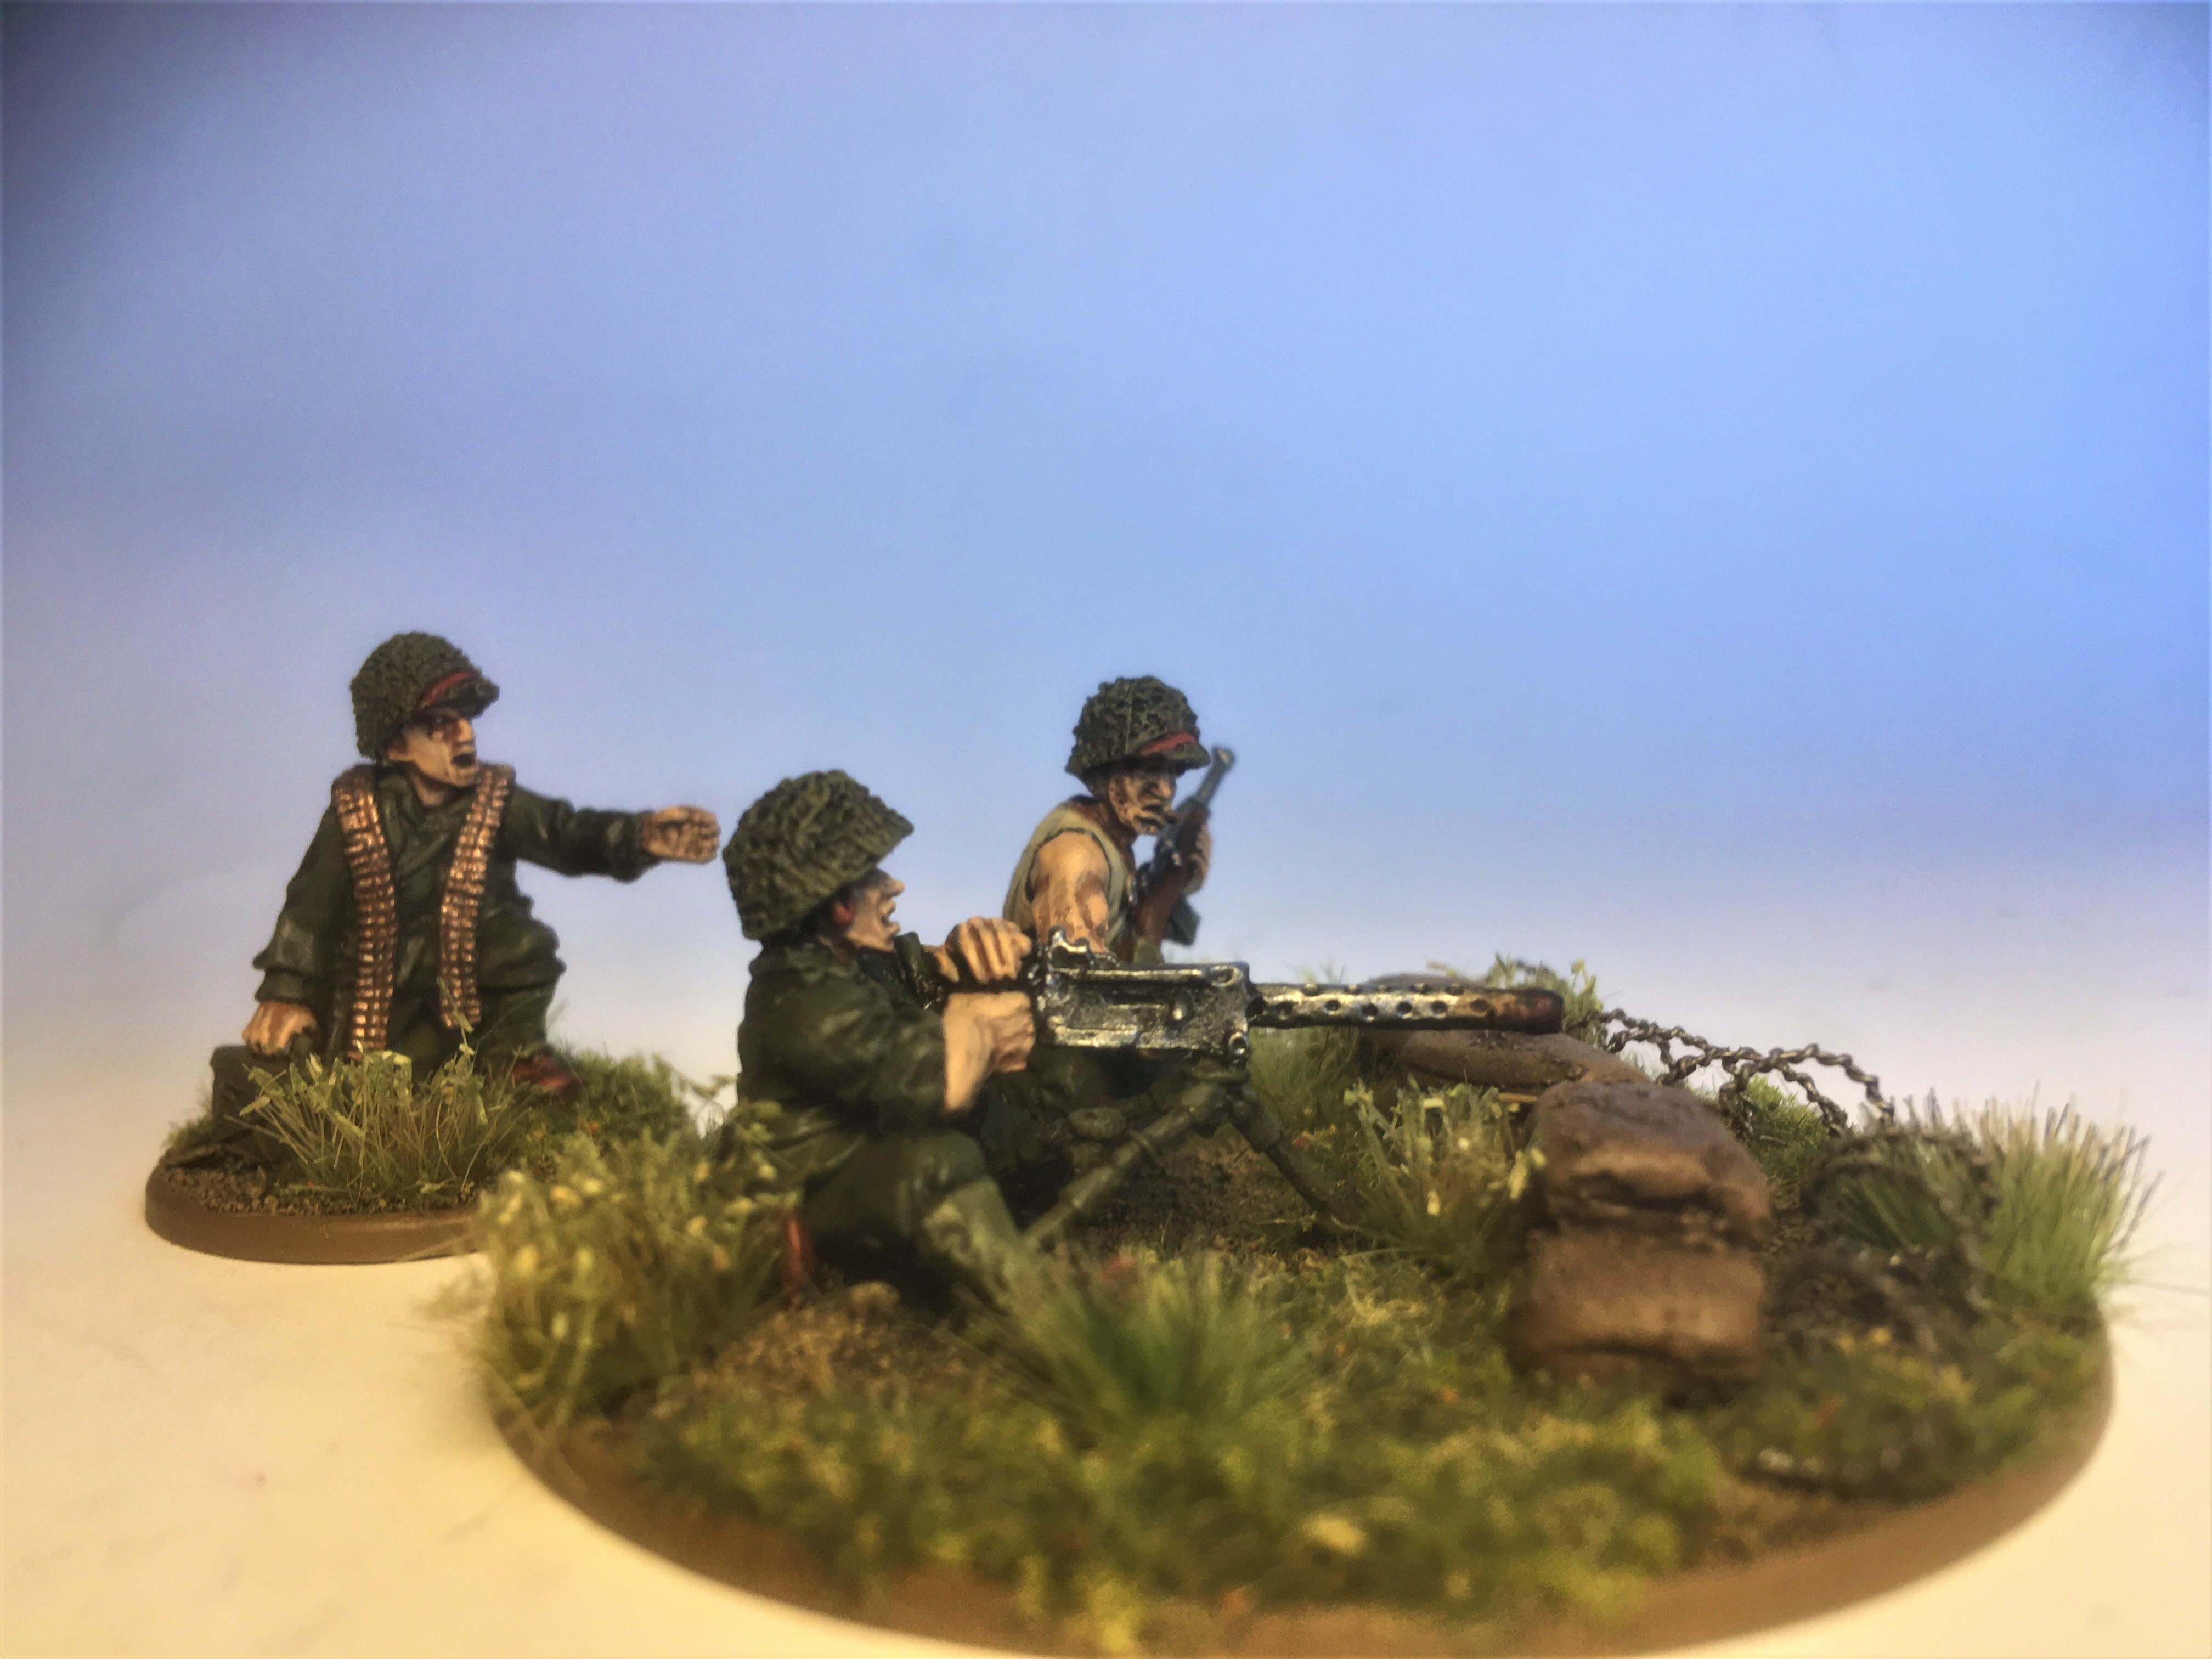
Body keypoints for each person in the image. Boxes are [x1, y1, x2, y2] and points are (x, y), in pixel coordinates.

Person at [216, 631, 719, 1129]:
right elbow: (309, 907)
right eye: (439, 724)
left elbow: (564, 833)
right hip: (378, 998)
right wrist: (288, 990)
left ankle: (514, 1060)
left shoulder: (495, 800)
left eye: (465, 718)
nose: (465, 735)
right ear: (397, 744)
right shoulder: (356, 811)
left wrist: (639, 836)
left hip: (472, 999)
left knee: (522, 943)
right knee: (352, 1090)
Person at [722, 770, 1041, 1307]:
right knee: (939, 1163)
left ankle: (1032, 1268)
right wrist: (976, 1025)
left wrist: (965, 964)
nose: (893, 887)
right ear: (838, 906)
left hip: (842, 1160)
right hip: (799, 1189)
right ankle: (1048, 1316)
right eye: (871, 876)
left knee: (1022, 1138)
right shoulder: (803, 1004)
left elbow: (907, 989)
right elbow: (929, 1085)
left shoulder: (839, 970)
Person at [1002, 675, 1212, 962]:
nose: (1165, 791)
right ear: (1105, 770)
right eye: (1149, 769)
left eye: (1174, 773)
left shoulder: (1111, 844)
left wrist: (1176, 883)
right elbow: (1078, 975)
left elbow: (1120, 937)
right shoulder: (1077, 857)